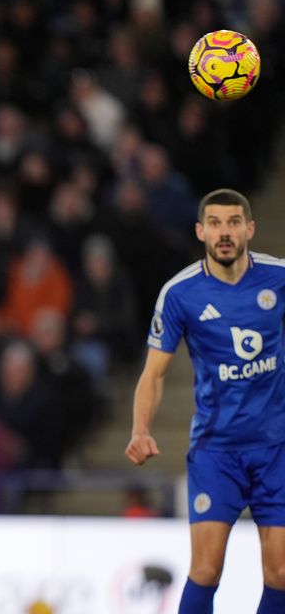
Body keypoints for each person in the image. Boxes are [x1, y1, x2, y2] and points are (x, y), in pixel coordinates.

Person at [126, 188, 285, 614]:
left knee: (281, 574)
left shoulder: (279, 278)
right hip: (217, 452)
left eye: (233, 222)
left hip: (277, 450)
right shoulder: (180, 294)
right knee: (207, 569)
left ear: (250, 228)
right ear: (201, 232)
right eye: (215, 224)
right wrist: (140, 429)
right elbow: (154, 375)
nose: (225, 232)